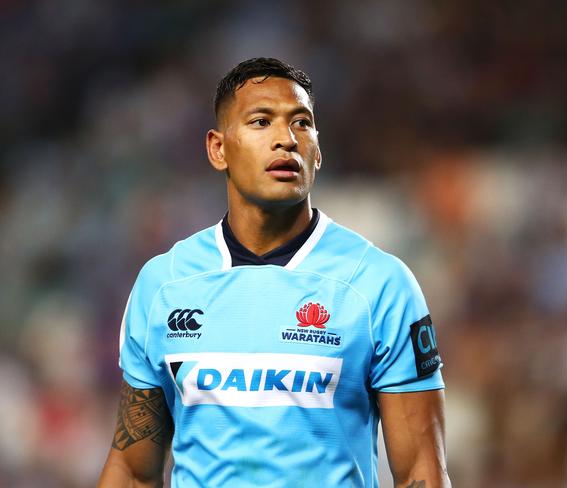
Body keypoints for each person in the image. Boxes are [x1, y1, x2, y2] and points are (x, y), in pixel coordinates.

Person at [98, 57, 451, 488]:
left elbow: (421, 473)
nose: (286, 139)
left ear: (318, 151)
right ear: (218, 148)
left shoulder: (379, 284)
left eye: (302, 124)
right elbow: (133, 471)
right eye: (261, 122)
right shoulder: (164, 285)